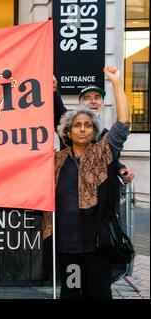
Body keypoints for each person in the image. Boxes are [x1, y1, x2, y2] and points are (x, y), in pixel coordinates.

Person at [54, 66, 130, 299]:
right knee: (71, 292)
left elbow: (123, 122)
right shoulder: (57, 160)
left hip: (97, 247)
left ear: (95, 130)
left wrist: (116, 83)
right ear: (67, 131)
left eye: (88, 125)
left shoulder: (103, 153)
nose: (83, 129)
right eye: (77, 125)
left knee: (97, 294)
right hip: (68, 248)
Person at [53, 76, 134, 184]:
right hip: (72, 190)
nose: (93, 101)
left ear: (102, 104)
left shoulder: (105, 134)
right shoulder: (69, 124)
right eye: (87, 98)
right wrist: (54, 91)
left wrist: (121, 170)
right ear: (80, 105)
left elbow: (111, 159)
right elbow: (58, 110)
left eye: (97, 97)